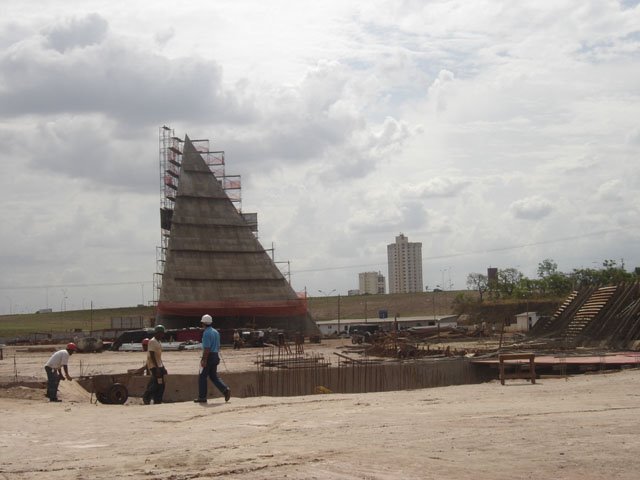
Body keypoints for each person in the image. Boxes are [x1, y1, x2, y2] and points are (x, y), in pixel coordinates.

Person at [194, 314, 231, 403]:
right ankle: (225, 390)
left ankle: (202, 397)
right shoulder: (216, 332)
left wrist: (204, 360)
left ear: (203, 323)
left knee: (202, 377)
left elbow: (207, 348)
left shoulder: (206, 333)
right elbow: (218, 346)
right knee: (213, 376)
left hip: (209, 356)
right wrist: (216, 357)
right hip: (215, 355)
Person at [142, 326, 167, 405]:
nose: (163, 335)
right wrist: (157, 368)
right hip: (154, 366)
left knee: (161, 384)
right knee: (156, 383)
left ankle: (157, 400)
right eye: (162, 333)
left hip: (159, 365)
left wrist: (163, 367)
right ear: (158, 333)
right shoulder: (152, 341)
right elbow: (152, 355)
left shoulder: (158, 342)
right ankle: (147, 396)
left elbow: (158, 356)